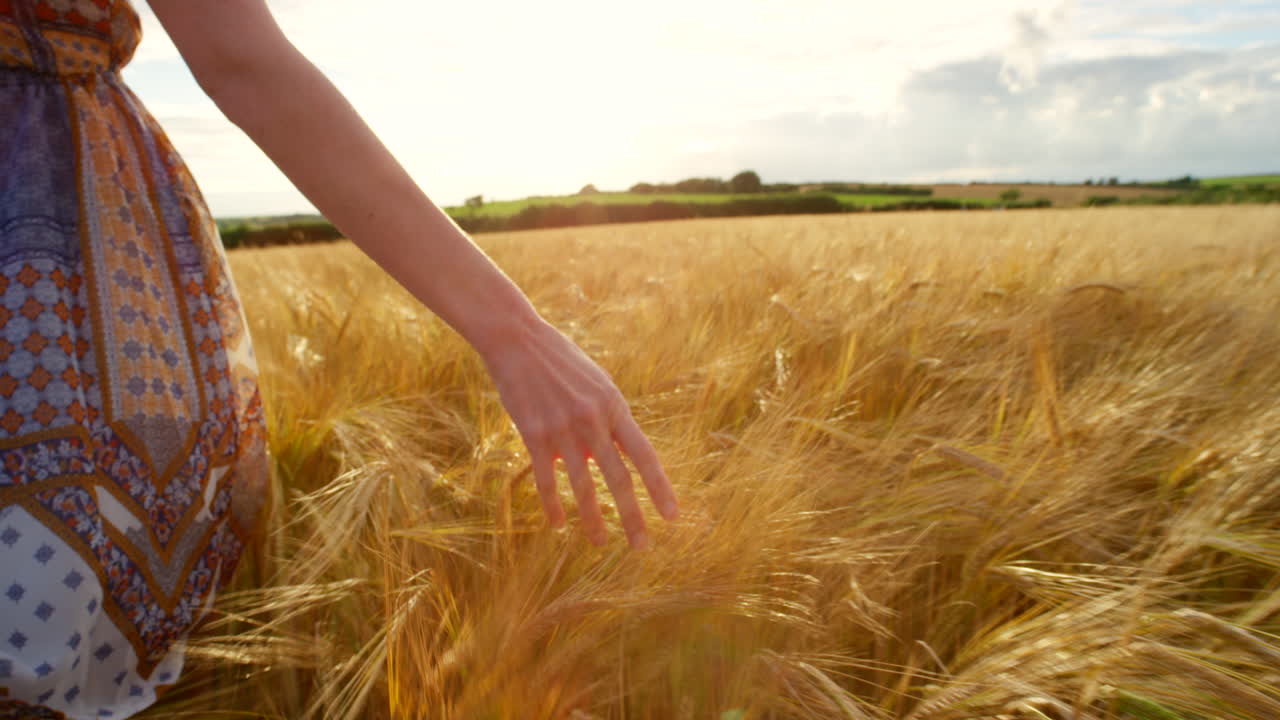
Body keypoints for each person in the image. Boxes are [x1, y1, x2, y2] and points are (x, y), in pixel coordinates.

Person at [0, 1, 679, 717]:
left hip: (59, 234)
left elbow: (243, 59)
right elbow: (243, 60)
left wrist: (515, 333)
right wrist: (515, 333)